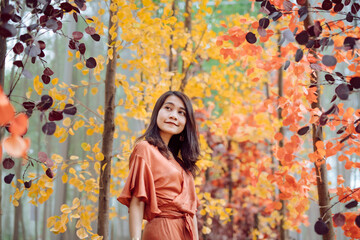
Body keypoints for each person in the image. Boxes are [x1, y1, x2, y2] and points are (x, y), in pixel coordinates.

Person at [117, 91, 201, 240]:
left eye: (181, 112)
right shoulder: (145, 149)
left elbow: (191, 213)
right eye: (168, 108)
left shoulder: (180, 163)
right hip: (162, 231)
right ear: (157, 113)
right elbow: (137, 199)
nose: (174, 115)